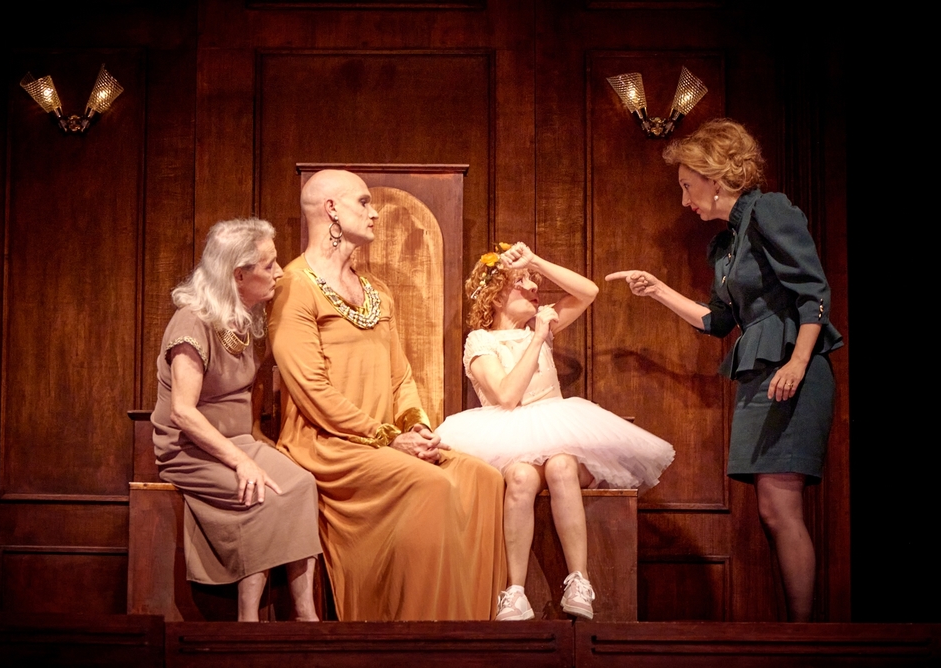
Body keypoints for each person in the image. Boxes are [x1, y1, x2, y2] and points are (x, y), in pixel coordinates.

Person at [606, 118, 843, 622]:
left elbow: (814, 293)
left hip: (793, 370)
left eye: (687, 186)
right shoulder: (727, 244)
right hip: (762, 375)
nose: (684, 200)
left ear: (715, 177)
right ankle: (796, 630)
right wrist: (657, 289)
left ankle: (804, 637)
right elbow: (718, 321)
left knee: (781, 506)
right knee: (771, 509)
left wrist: (798, 362)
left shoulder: (769, 211)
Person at [269, 169, 506, 621]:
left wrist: (416, 427)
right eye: (363, 202)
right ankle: (416, 636)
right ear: (331, 209)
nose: (374, 212)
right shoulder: (294, 286)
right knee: (431, 485)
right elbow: (311, 390)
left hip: (386, 442)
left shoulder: (376, 291)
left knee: (484, 479)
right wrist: (388, 437)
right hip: (327, 445)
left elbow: (402, 378)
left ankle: (471, 629)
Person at [435, 242, 674, 621]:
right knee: (520, 477)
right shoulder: (482, 341)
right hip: (508, 437)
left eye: (533, 280)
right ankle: (515, 591)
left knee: (562, 465)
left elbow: (588, 291)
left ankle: (579, 581)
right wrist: (536, 338)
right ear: (496, 297)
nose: (534, 287)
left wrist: (534, 261)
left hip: (558, 432)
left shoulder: (541, 324)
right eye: (522, 282)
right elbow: (507, 397)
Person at [150, 218, 322, 622]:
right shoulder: (192, 323)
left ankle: (305, 614)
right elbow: (183, 412)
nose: (279, 273)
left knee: (302, 485)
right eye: (268, 265)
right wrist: (242, 461)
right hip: (189, 449)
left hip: (237, 442)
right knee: (260, 494)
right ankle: (248, 620)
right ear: (238, 275)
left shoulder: (240, 319)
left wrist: (254, 444)